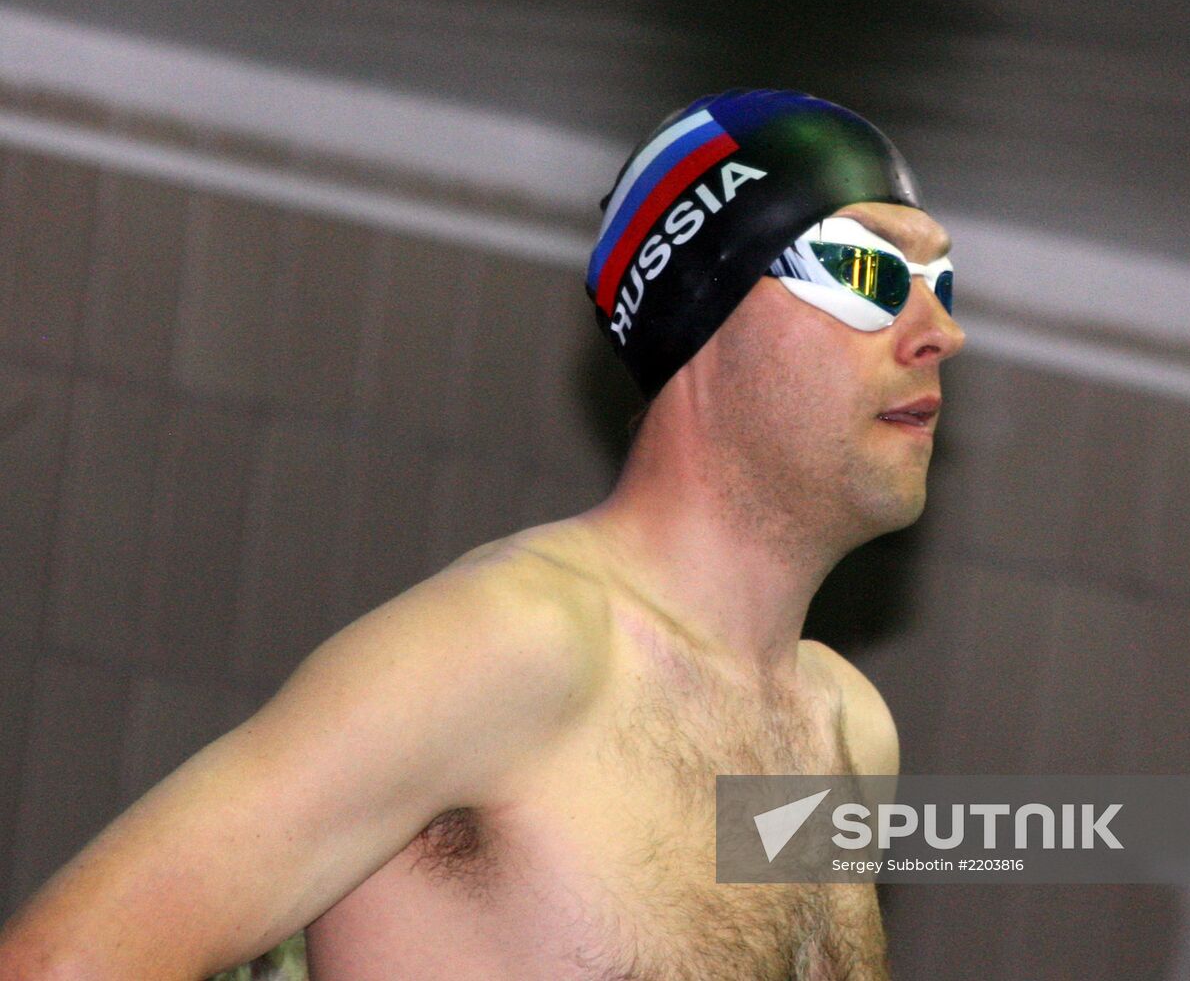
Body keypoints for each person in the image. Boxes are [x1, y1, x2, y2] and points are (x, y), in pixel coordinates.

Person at [0, 89, 963, 980]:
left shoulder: (847, 730)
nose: (937, 333)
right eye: (869, 273)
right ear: (700, 311)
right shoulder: (512, 648)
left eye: (940, 283)